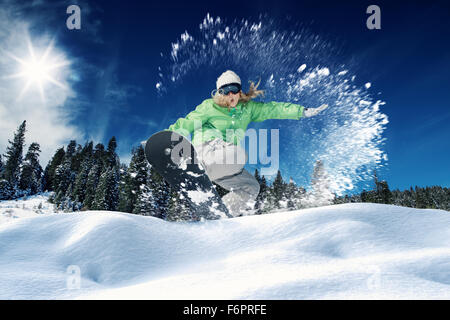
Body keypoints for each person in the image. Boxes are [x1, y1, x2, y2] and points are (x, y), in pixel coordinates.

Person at [166, 70, 328, 217]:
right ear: (219, 93)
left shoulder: (248, 108)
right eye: (225, 90)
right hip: (207, 150)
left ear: (240, 90)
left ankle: (220, 213)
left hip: (224, 161)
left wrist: (301, 111)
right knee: (238, 154)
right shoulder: (210, 106)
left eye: (234, 89)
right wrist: (168, 139)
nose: (230, 94)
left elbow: (273, 109)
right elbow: (188, 123)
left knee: (251, 187)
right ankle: (195, 168)